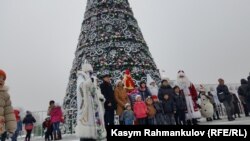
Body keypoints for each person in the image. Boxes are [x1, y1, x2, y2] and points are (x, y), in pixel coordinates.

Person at [75, 62, 106, 141]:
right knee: (86, 129)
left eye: (91, 72)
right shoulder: (81, 77)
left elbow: (96, 91)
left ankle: (94, 136)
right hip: (86, 107)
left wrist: (100, 97)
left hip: (94, 107)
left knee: (95, 125)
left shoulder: (93, 79)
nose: (90, 73)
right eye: (88, 72)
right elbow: (80, 88)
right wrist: (89, 82)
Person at [0, 69, 17, 141]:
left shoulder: (5, 95)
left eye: (3, 79)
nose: (1, 80)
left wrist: (10, 128)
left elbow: (8, 113)